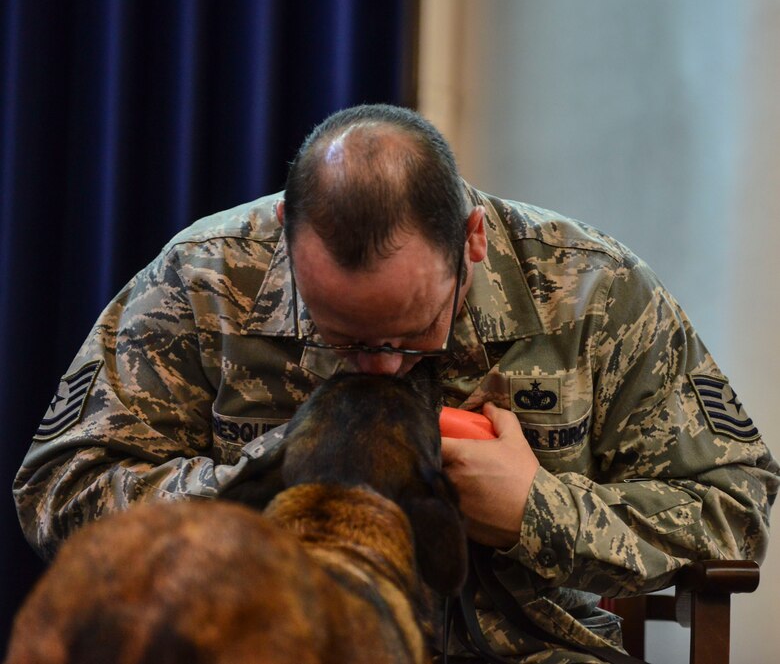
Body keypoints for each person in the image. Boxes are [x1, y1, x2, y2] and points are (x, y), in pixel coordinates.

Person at [14, 104, 779, 662]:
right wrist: (268, 485)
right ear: (286, 231)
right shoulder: (205, 279)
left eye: (413, 333)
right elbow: (60, 484)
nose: (381, 365)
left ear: (471, 240)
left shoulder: (590, 291)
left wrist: (536, 509)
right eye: (344, 337)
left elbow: (734, 501)